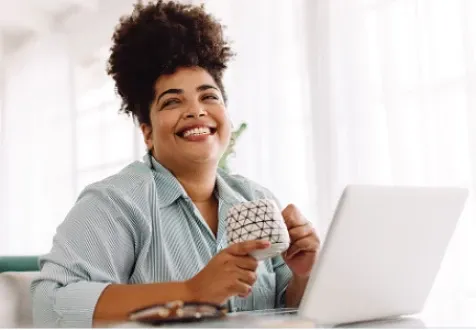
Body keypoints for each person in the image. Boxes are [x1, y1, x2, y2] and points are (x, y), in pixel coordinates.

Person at [31, 0, 320, 327]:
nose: (197, 111)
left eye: (209, 96)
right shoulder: (115, 203)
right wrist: (190, 290)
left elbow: (286, 308)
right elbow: (49, 304)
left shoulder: (256, 199)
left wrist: (306, 275)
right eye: (172, 101)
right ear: (148, 132)